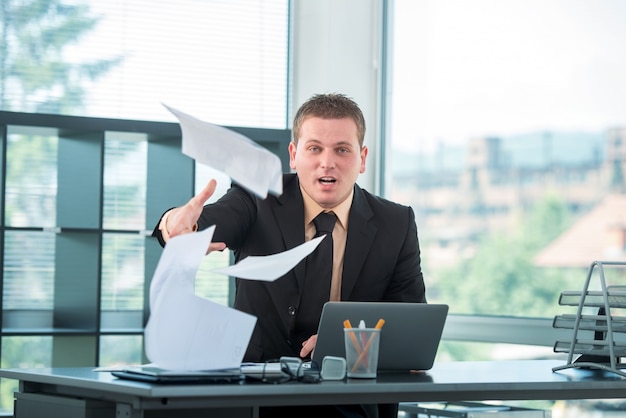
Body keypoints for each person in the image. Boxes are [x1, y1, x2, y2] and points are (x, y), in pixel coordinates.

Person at [153, 93, 426, 418]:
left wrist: (341, 344)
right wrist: (176, 225)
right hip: (257, 395)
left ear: (362, 158)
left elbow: (411, 330)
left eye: (342, 149)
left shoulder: (395, 223)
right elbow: (212, 220)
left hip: (350, 397)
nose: (328, 162)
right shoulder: (257, 199)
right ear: (294, 156)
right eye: (315, 149)